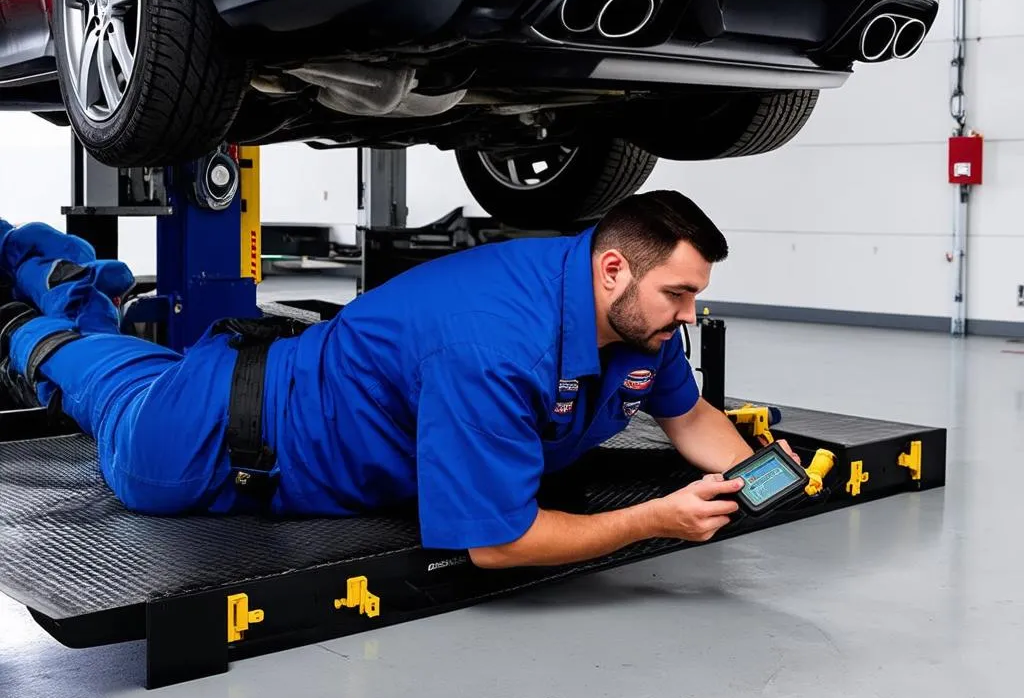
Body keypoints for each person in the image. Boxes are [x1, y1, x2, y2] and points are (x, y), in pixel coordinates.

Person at [0, 190, 794, 568]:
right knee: (81, 375)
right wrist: (656, 518)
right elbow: (497, 544)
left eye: (696, 298)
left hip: (260, 374)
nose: (688, 316)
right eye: (679, 295)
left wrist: (757, 471)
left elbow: (691, 420)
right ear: (614, 269)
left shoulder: (635, 321)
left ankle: (65, 279)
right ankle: (24, 308)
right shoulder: (493, 345)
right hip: (200, 441)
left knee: (113, 353)